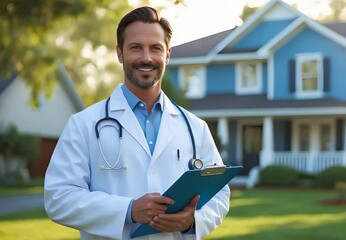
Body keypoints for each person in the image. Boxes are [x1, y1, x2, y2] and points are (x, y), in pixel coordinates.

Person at [44, 6, 230, 240]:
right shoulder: (83, 124)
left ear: (168, 55)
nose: (146, 58)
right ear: (120, 54)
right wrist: (129, 210)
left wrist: (192, 221)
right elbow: (59, 198)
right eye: (136, 48)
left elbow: (220, 195)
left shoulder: (195, 128)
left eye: (155, 48)